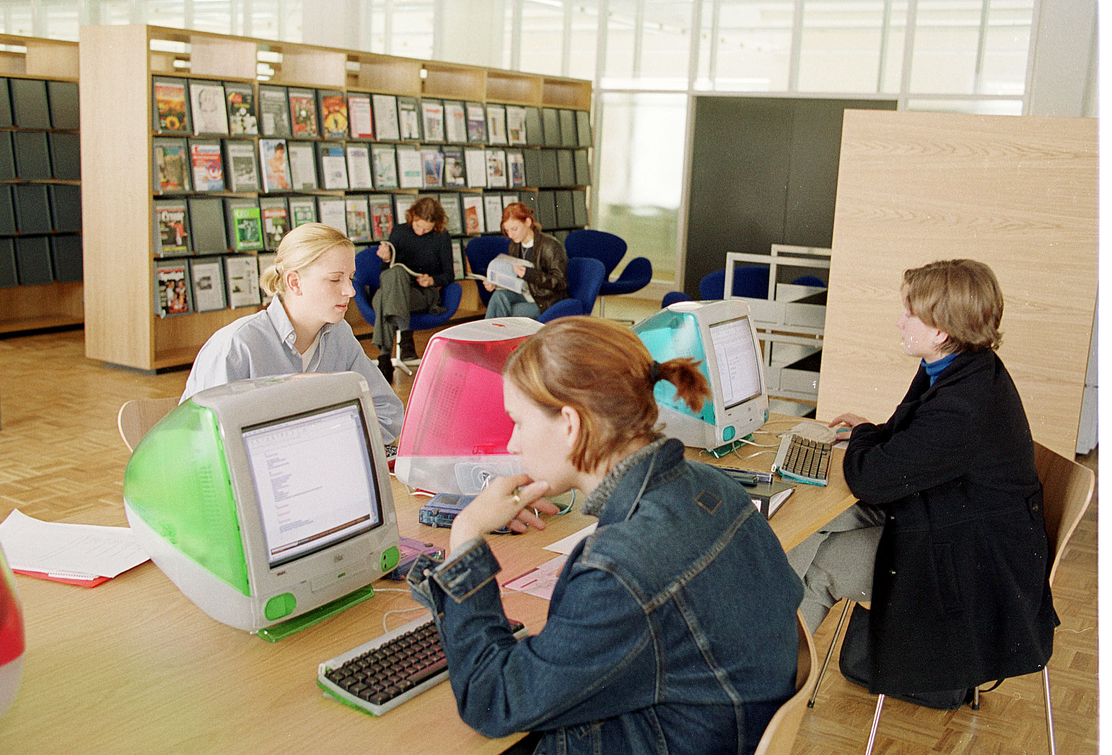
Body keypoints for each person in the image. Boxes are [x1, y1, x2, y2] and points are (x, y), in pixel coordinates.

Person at [407, 317, 803, 755]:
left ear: (571, 424)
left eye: (517, 422)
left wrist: (465, 535)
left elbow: (493, 701)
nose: (513, 444)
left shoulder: (618, 567)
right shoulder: (714, 487)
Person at [789, 258, 1057, 708]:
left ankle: (770, 691)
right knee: (807, 526)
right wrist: (871, 435)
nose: (900, 319)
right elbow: (902, 441)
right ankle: (757, 650)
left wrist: (860, 435)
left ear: (941, 330)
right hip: (951, 517)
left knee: (821, 562)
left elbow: (873, 479)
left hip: (974, 566)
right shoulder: (957, 367)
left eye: (910, 312)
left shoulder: (964, 405)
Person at [181, 223, 403, 444]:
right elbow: (205, 445)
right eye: (335, 279)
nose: (351, 291)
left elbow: (389, 414)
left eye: (350, 278)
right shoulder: (236, 346)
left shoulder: (338, 334)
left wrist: (322, 440)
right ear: (294, 282)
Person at [372, 197, 455, 382]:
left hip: (423, 294)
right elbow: (385, 273)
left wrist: (432, 280)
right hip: (400, 291)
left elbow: (449, 275)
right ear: (412, 217)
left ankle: (384, 356)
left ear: (436, 224)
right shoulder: (400, 232)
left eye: (426, 229)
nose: (420, 231)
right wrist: (386, 259)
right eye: (418, 225)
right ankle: (404, 337)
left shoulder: (441, 236)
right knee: (396, 272)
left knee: (381, 300)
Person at [483, 202, 568, 319]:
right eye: (507, 230)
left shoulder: (549, 245)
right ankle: (489, 335)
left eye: (514, 229)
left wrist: (529, 274)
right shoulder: (514, 245)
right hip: (525, 292)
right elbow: (513, 277)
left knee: (512, 311)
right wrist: (496, 284)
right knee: (498, 296)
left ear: (528, 222)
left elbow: (560, 282)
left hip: (545, 300)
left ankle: (495, 334)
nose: (511, 235)